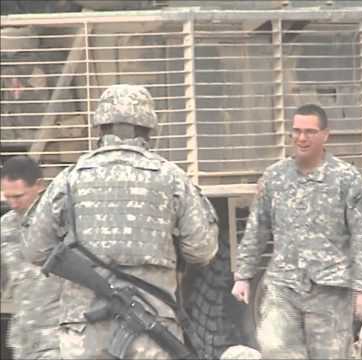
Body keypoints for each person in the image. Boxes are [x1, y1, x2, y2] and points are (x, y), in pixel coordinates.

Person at [23, 84, 219, 359]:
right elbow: (201, 250)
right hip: (152, 331)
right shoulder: (171, 178)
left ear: (100, 127)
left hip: (84, 332)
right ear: (149, 128)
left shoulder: (68, 179)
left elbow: (35, 249)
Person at [231, 104, 362, 359]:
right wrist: (243, 276)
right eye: (297, 131)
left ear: (325, 135)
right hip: (283, 288)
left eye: (310, 131)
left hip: (329, 292)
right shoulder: (274, 177)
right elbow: (257, 229)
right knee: (275, 350)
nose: (302, 138)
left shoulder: (347, 179)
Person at [1, 155, 63, 359]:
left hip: (56, 335)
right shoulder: (5, 225)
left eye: (18, 196)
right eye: (7, 196)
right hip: (23, 336)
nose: (13, 203)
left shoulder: (60, 221)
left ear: (39, 186)